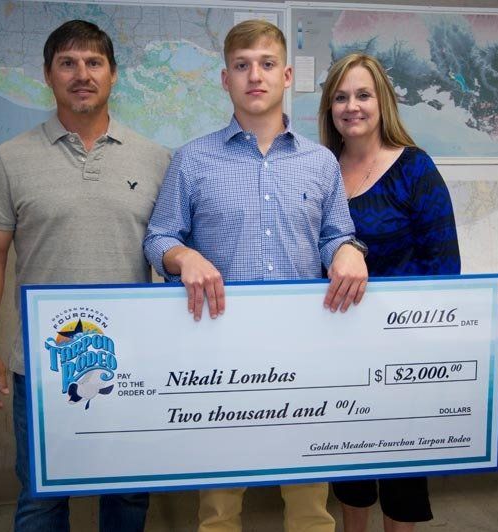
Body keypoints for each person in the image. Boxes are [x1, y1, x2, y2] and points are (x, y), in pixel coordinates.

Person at [144, 19, 368, 532]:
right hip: (219, 349)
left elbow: (337, 235)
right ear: (225, 79)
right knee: (220, 504)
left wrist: (349, 250)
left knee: (310, 499)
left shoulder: (320, 163)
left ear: (286, 74)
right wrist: (184, 258)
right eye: (242, 66)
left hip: (303, 347)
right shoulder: (193, 160)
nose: (255, 76)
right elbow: (158, 239)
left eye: (267, 64)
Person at [0, 19, 170, 531]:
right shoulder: (11, 159)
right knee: (41, 499)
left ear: (114, 75)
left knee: (127, 497)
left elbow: (170, 251)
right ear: (47, 75)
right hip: (41, 367)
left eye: (94, 62)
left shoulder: (157, 159)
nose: (82, 74)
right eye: (68, 63)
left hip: (127, 367)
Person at [318, 53, 460, 532]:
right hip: (338, 348)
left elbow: (444, 268)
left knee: (402, 474)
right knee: (349, 471)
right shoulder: (320, 170)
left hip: (404, 351)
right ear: (328, 107)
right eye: (340, 97)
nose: (351, 106)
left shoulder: (415, 169)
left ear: (383, 102)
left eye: (362, 95)